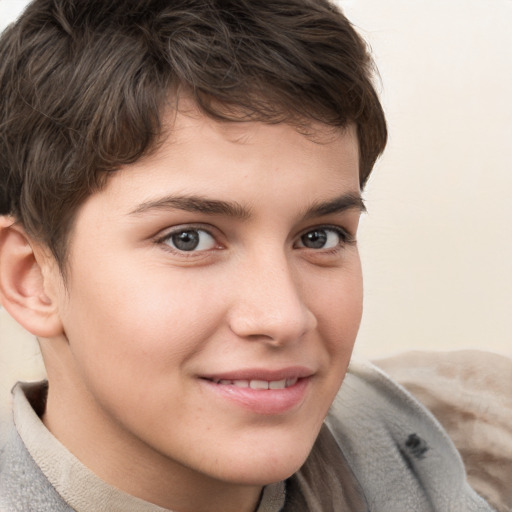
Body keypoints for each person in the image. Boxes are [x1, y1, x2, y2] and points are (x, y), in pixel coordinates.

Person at [0, 0, 496, 510]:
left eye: (319, 236)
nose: (283, 318)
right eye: (187, 239)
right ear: (32, 278)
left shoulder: (400, 444)